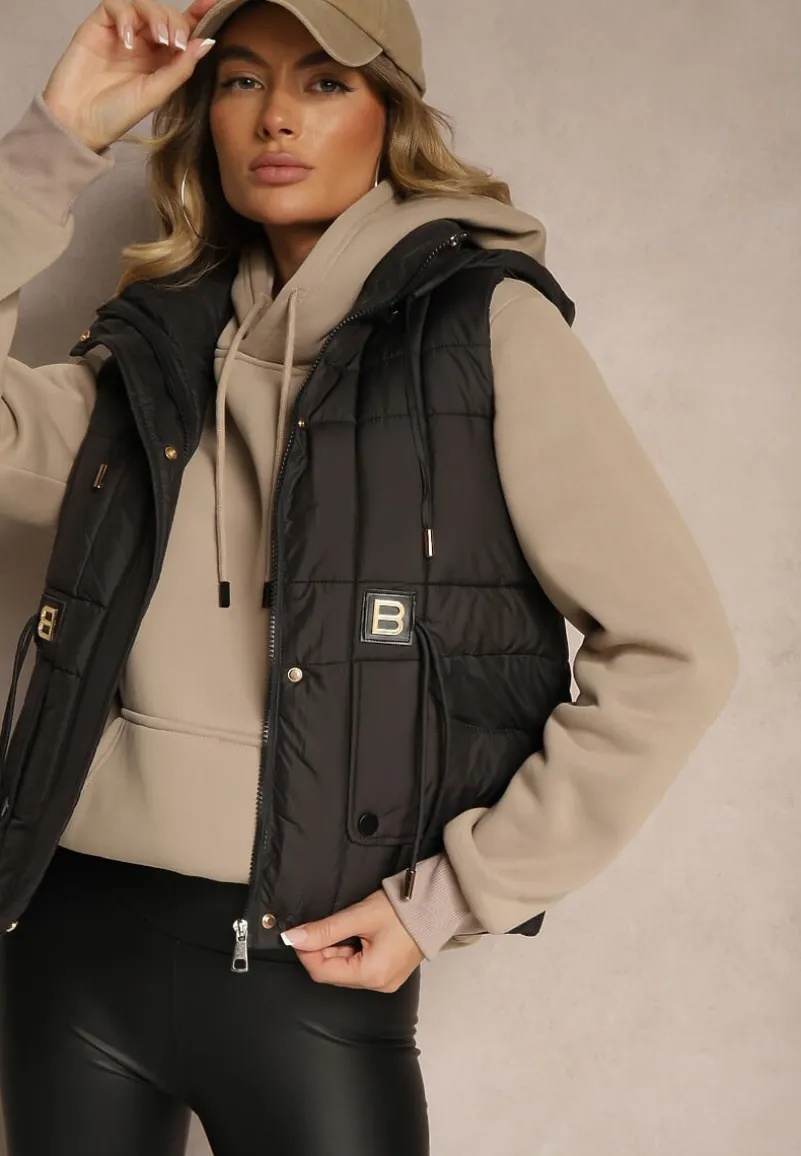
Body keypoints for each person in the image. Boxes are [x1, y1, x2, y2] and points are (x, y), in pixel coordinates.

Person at [0, 0, 739, 1153]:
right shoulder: (151, 351)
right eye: (241, 80)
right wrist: (57, 135)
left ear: (391, 114)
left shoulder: (483, 331)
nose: (277, 116)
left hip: (308, 962)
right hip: (66, 938)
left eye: (325, 80)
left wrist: (452, 896)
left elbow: (674, 649)